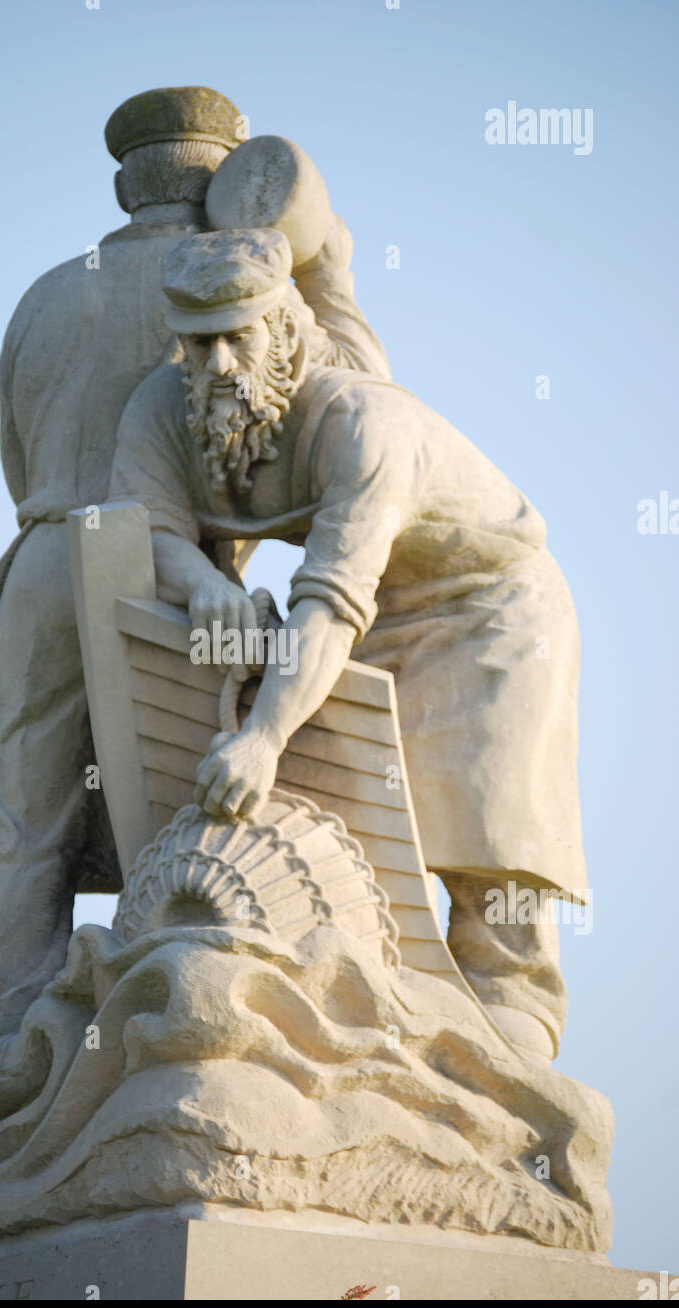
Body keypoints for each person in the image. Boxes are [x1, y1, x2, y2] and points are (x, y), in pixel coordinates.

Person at [0, 90, 391, 1058]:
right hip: (168, 568)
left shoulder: (48, 295)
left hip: (48, 559)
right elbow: (360, 390)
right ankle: (184, 1025)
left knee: (24, 810)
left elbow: (16, 453)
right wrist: (331, 269)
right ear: (219, 179)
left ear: (128, 181)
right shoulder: (235, 280)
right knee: (186, 792)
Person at [106, 227, 589, 1063]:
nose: (217, 363)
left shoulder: (363, 425)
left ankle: (515, 1012)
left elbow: (327, 603)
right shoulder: (166, 404)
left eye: (237, 336)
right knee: (357, 800)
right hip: (372, 601)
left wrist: (261, 738)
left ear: (284, 330)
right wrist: (204, 582)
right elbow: (141, 524)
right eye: (197, 341)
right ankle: (384, 987)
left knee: (483, 817)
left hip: (491, 605)